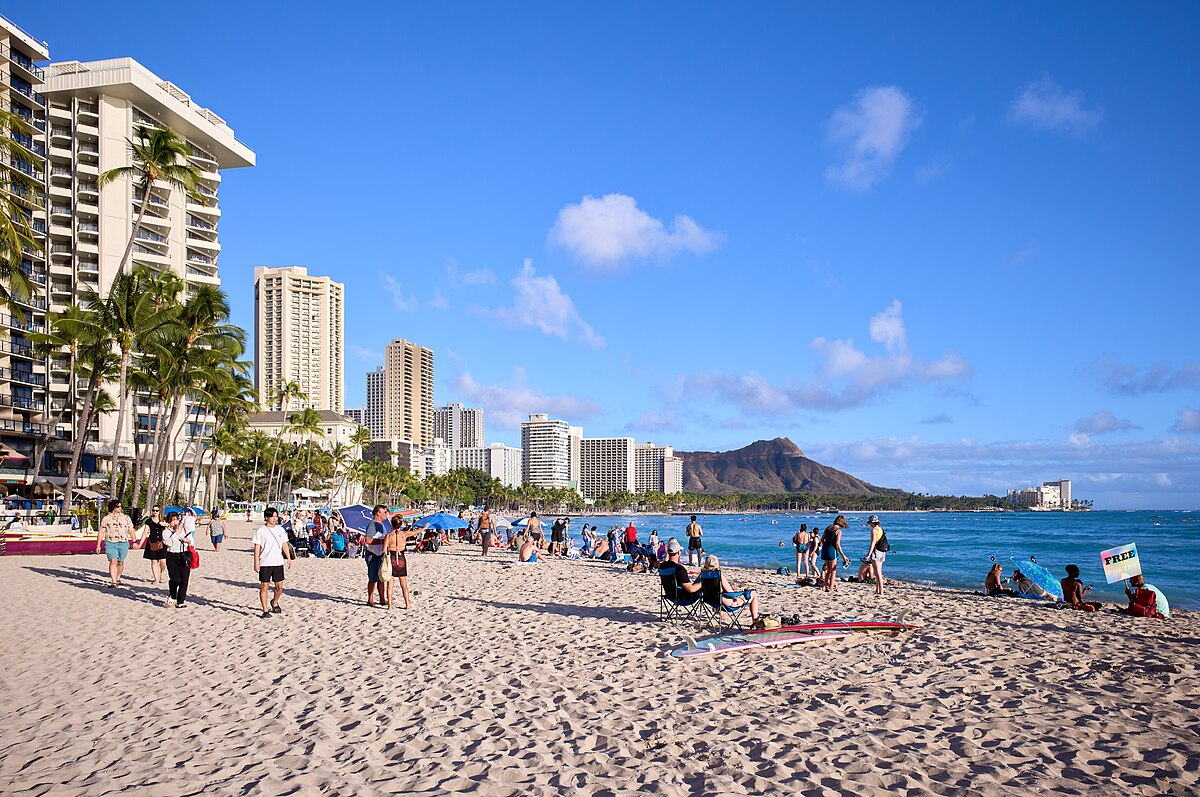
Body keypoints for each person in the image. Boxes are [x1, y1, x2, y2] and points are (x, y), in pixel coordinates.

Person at [253, 507, 293, 618]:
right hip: (265, 562)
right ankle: (265, 610)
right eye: (272, 516)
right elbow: (257, 547)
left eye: (276, 516)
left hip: (278, 562)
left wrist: (288, 558)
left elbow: (284, 544)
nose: (274, 518)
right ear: (266, 517)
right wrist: (256, 562)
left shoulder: (280, 530)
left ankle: (274, 601)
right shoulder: (260, 531)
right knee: (264, 586)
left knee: (279, 587)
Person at [701, 554, 760, 622]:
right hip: (725, 604)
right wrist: (736, 592)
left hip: (712, 602)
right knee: (753, 593)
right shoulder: (719, 576)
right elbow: (731, 594)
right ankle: (755, 621)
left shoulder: (703, 575)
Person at [95, 499, 138, 587]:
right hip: (110, 542)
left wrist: (134, 541)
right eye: (118, 506)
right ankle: (114, 581)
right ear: (113, 507)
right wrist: (98, 545)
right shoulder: (106, 519)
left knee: (120, 562)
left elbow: (131, 530)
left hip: (123, 542)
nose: (120, 508)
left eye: (120, 506)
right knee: (113, 561)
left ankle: (118, 578)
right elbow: (101, 532)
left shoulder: (126, 518)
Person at [163, 511, 194, 608]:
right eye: (173, 520)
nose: (175, 522)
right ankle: (172, 595)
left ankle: (180, 601)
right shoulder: (166, 532)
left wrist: (187, 541)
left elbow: (191, 542)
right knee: (175, 579)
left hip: (184, 555)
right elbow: (168, 543)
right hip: (171, 556)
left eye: (176, 520)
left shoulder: (184, 530)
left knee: (184, 580)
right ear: (168, 522)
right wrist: (175, 533)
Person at [383, 516, 413, 610]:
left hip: (392, 558)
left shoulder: (389, 536)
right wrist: (424, 528)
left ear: (391, 524)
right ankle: (407, 604)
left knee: (390, 584)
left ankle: (390, 605)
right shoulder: (404, 534)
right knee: (403, 584)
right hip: (401, 559)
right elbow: (416, 532)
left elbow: (384, 550)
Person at [362, 505, 389, 606]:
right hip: (372, 555)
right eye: (384, 512)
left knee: (381, 577)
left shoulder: (382, 525)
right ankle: (370, 599)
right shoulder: (372, 525)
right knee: (373, 578)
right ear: (378, 513)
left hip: (380, 554)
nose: (386, 514)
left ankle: (382, 599)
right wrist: (382, 541)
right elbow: (368, 540)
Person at [138, 504, 168, 586]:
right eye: (153, 510)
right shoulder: (149, 521)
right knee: (154, 561)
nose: (155, 512)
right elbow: (145, 532)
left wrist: (166, 525)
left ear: (159, 511)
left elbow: (172, 527)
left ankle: (162, 572)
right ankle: (156, 579)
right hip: (152, 542)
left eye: (157, 510)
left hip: (162, 542)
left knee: (163, 561)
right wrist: (140, 544)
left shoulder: (164, 519)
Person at [819, 516, 851, 592]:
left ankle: (824, 586)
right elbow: (837, 544)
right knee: (833, 570)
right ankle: (831, 587)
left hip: (825, 549)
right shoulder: (838, 531)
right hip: (832, 550)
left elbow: (822, 539)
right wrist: (843, 555)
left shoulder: (827, 528)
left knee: (828, 570)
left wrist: (825, 546)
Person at [861, 515, 888, 597]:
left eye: (869, 523)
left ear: (871, 523)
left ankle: (881, 592)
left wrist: (868, 554)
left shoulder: (874, 530)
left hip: (876, 552)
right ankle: (877, 590)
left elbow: (873, 543)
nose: (869, 524)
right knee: (878, 572)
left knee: (878, 573)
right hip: (882, 552)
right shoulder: (880, 529)